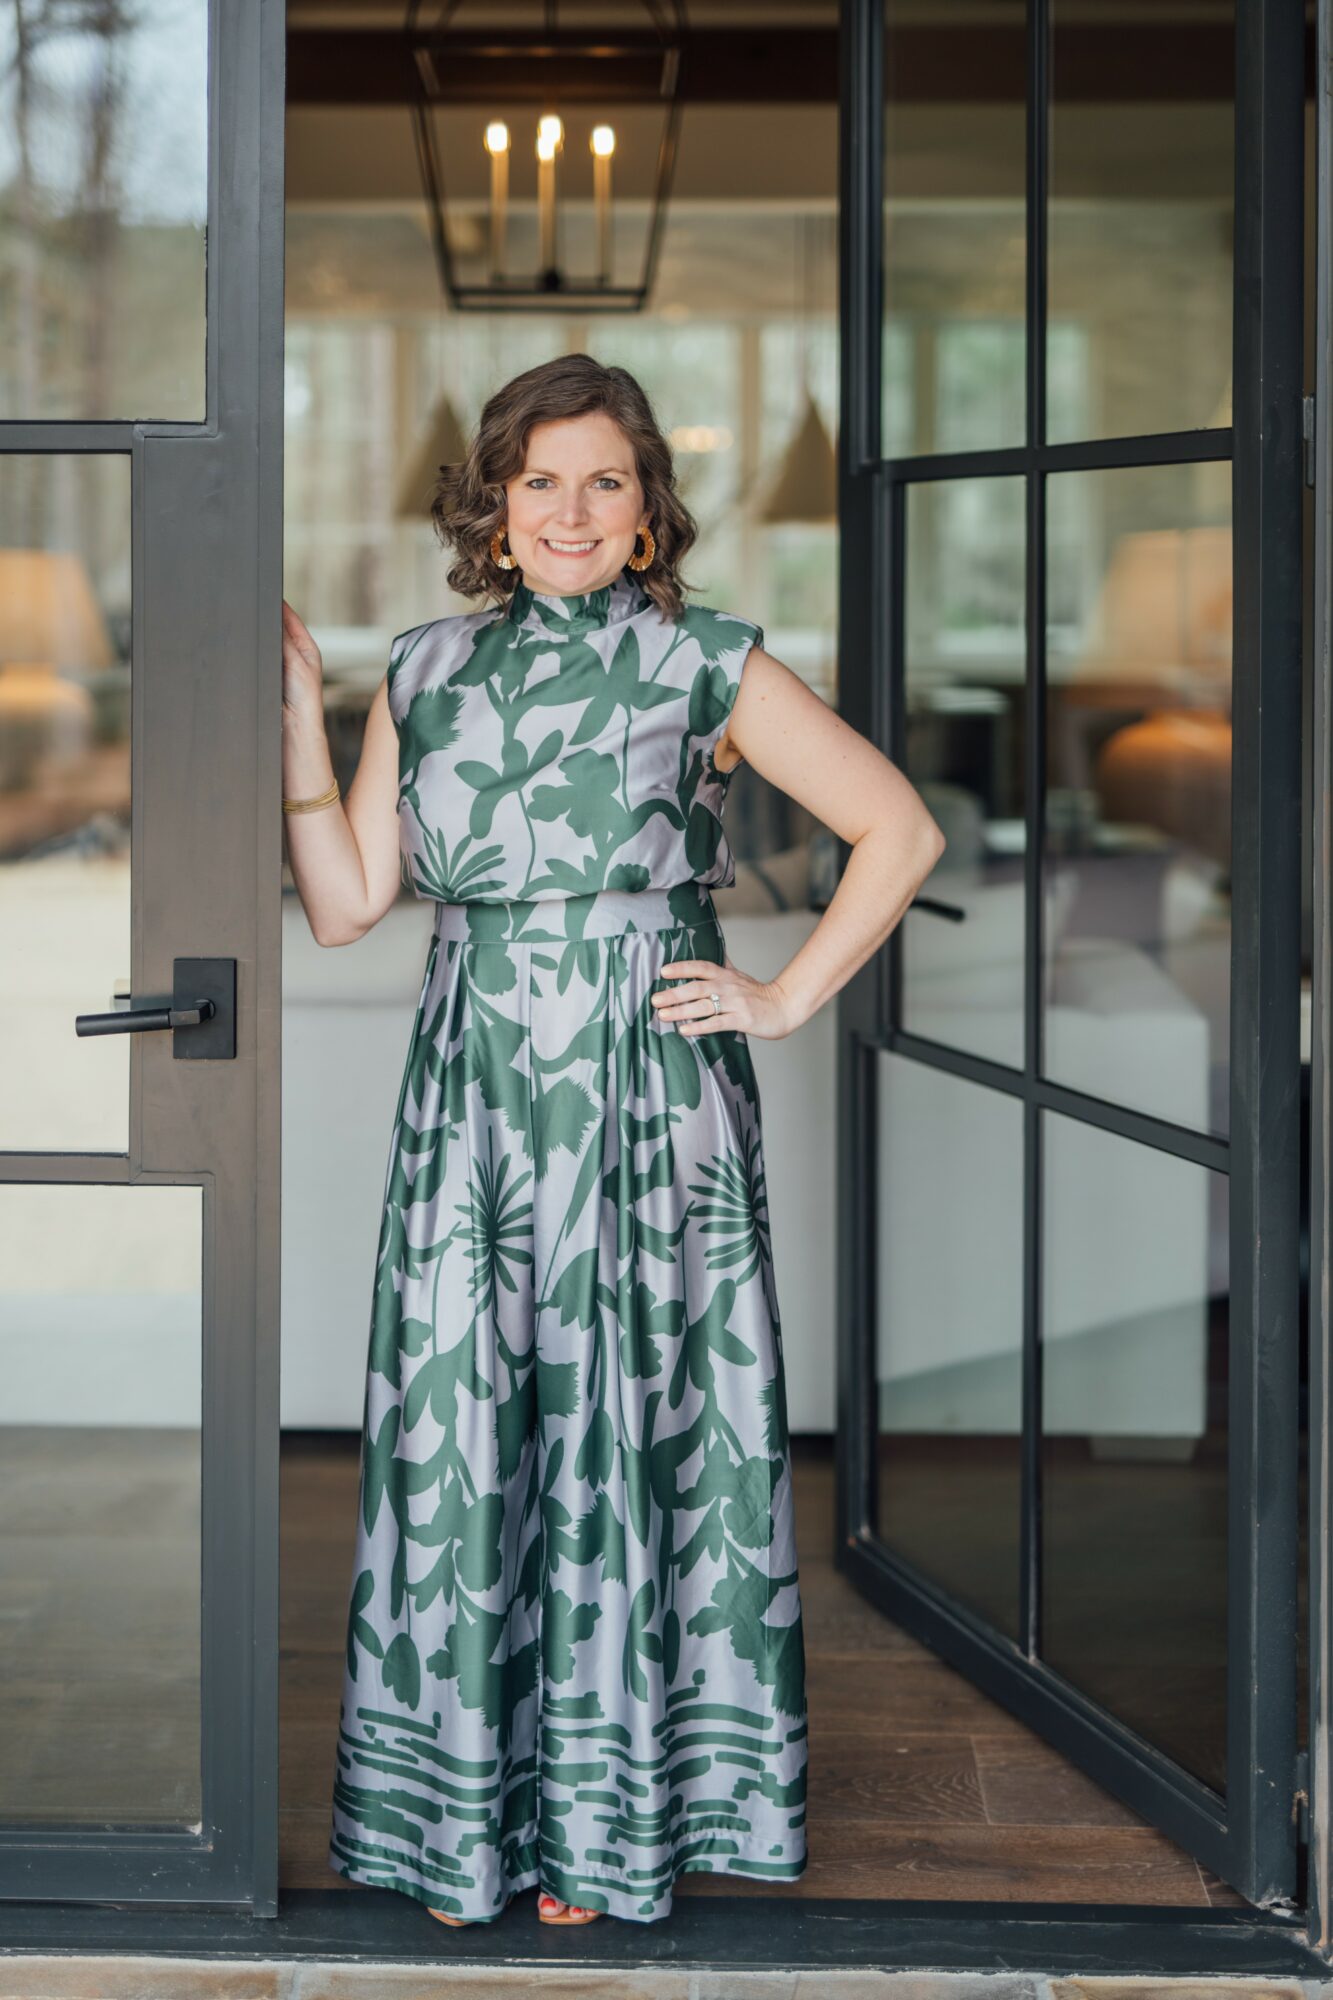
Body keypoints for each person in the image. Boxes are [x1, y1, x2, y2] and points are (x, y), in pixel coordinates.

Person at [281, 352, 945, 1929]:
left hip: (645, 1101)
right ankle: (461, 1826)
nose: (569, 511)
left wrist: (782, 998)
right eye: (539, 481)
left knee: (616, 1434)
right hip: (472, 1100)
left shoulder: (704, 661)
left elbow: (898, 828)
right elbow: (349, 904)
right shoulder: (425, 667)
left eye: (604, 481)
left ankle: (596, 1831)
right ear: (493, 510)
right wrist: (302, 722)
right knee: (463, 1430)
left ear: (647, 512)